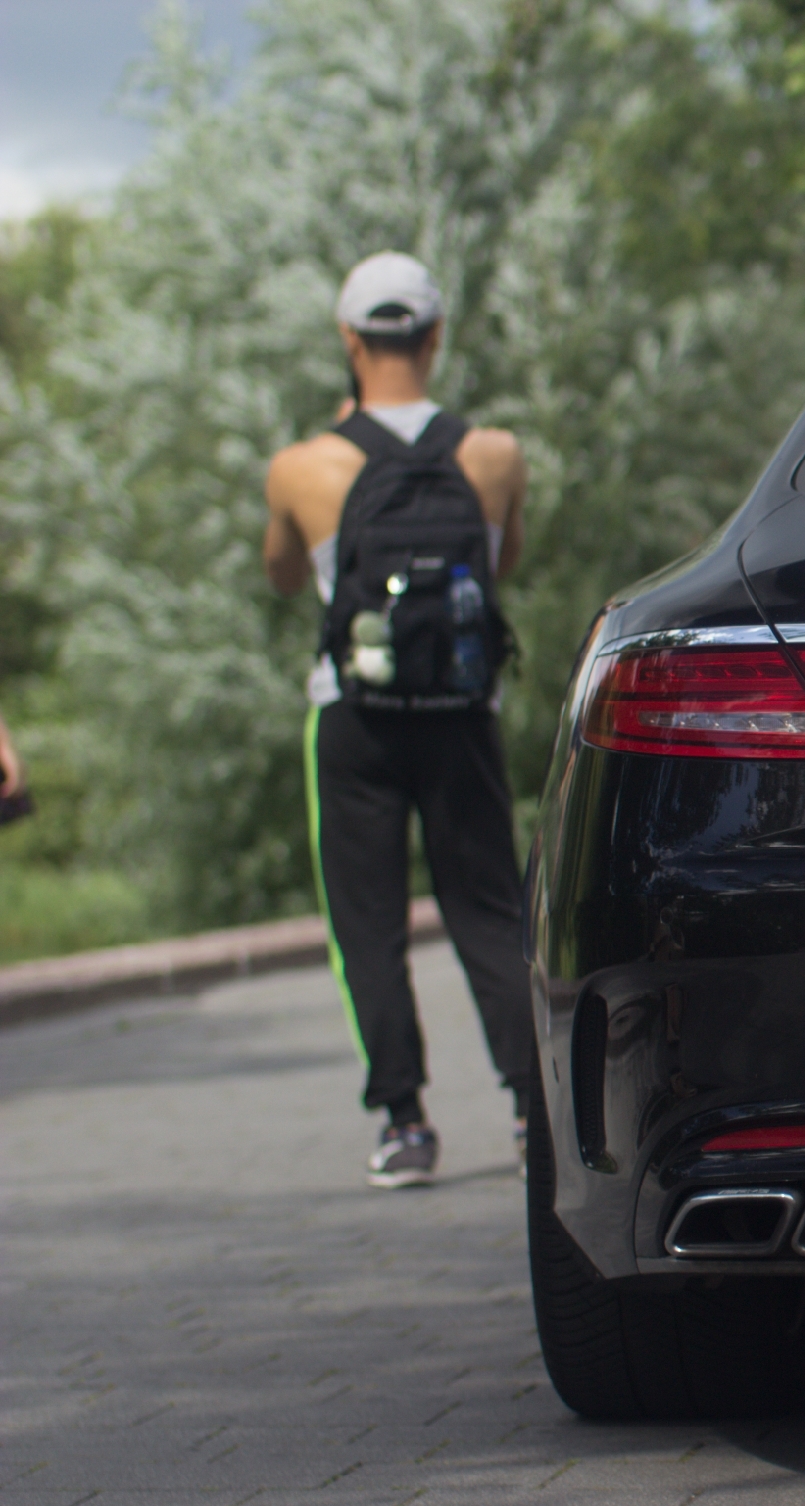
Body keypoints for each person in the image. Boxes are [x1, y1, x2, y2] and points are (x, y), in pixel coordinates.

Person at [263, 252, 537, 1189]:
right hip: (460, 713)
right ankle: (529, 1105)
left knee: (366, 923)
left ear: (348, 340)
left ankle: (404, 1124)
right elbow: (501, 567)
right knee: (490, 909)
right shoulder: (493, 454)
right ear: (434, 336)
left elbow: (286, 574)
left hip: (355, 719)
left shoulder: (301, 467)